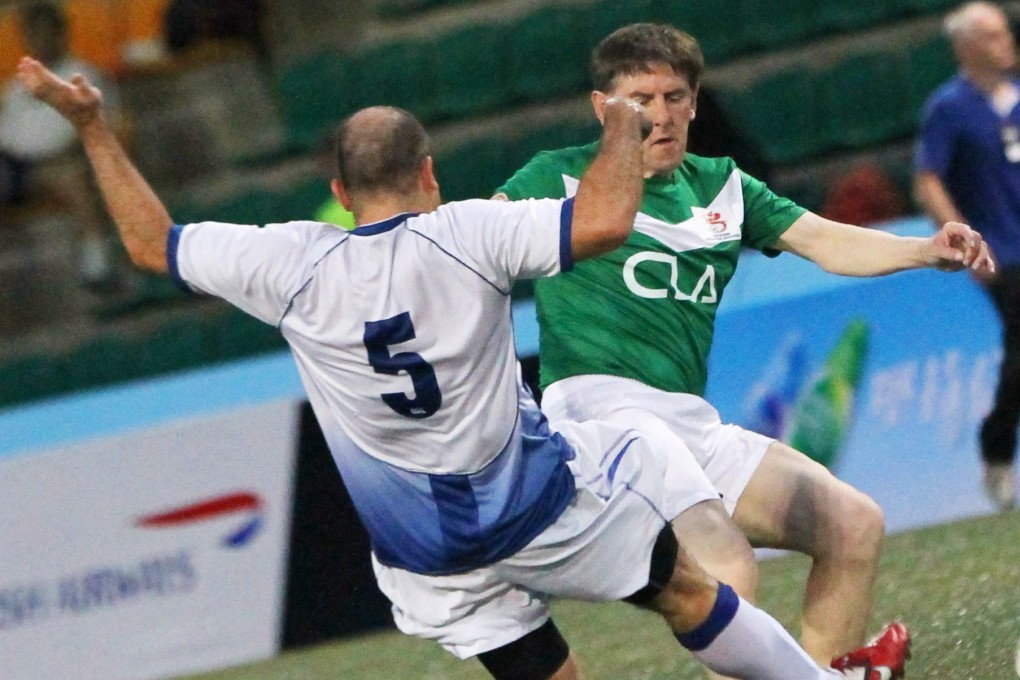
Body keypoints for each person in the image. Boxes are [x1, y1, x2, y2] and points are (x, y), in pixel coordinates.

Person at [16, 55, 913, 680]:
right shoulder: (469, 233)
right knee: (687, 590)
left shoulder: (286, 263)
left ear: (339, 191)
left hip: (425, 556)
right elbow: (604, 222)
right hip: (535, 508)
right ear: (430, 173)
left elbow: (150, 244)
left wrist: (93, 128)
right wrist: (621, 129)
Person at [494, 22, 992, 678]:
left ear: (695, 102)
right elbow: (471, 246)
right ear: (602, 108)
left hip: (686, 424)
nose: (661, 115)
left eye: (675, 97)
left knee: (852, 524)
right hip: (601, 421)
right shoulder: (555, 176)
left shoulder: (722, 186)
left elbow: (824, 241)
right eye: (640, 100)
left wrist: (925, 250)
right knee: (725, 566)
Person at [914, 1, 1020, 512]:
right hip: (1005, 250)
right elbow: (928, 179)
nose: (1007, 42)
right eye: (993, 36)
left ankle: (996, 448)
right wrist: (964, 240)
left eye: (1005, 33)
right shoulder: (949, 108)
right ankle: (996, 449)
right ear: (967, 47)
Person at [0, 2, 121, 290]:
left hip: (65, 164)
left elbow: (96, 128)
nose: (40, 41)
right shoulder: (16, 87)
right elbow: (8, 135)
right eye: (33, 34)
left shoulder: (83, 76)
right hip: (16, 168)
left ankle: (97, 262)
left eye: (45, 32)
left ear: (60, 33)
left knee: (71, 174)